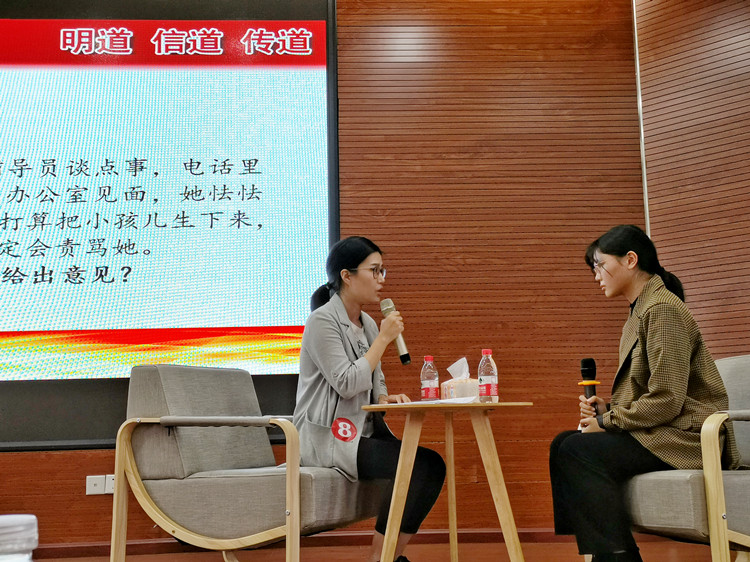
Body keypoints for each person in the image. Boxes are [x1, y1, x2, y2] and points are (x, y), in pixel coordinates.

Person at [549, 224, 740, 562]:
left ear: (630, 260)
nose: (596, 276)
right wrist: (608, 409)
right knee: (563, 443)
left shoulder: (662, 309)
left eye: (600, 265)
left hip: (685, 438)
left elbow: (667, 399)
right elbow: (655, 394)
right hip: (662, 430)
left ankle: (619, 557)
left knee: (577, 449)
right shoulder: (641, 310)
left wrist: (606, 422)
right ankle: (611, 554)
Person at [293, 236, 446, 562]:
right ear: (347, 276)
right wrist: (384, 339)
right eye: (374, 271)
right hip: (327, 436)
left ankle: (388, 556)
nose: (381, 279)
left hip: (360, 431)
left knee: (431, 465)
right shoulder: (321, 321)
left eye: (382, 271)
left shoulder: (369, 323)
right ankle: (381, 558)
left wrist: (385, 398)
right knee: (418, 465)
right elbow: (347, 383)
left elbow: (376, 379)